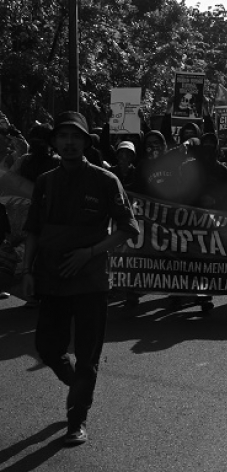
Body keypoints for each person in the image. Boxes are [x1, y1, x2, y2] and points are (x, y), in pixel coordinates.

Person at [21, 111, 140, 446]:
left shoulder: (105, 180)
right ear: (55, 141)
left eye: (76, 137)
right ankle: (78, 385)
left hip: (90, 280)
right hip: (51, 278)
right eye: (63, 137)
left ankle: (77, 418)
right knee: (47, 347)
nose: (69, 143)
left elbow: (128, 229)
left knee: (87, 354)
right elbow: (32, 230)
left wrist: (90, 252)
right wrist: (27, 271)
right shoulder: (45, 181)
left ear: (87, 143)